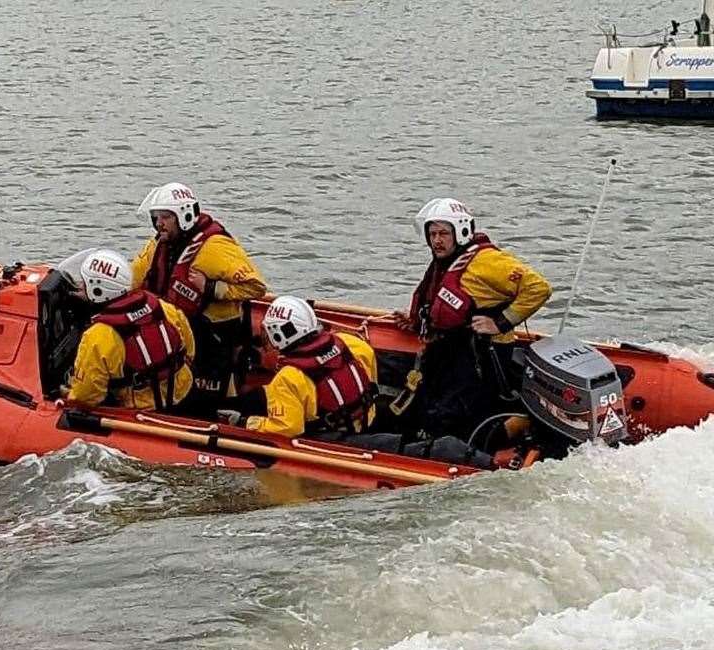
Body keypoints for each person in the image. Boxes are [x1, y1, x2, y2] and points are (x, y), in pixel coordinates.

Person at [224, 296, 493, 468]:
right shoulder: (350, 343)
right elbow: (369, 377)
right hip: (369, 418)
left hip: (335, 439)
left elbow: (286, 428)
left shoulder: (288, 379)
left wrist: (246, 422)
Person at [393, 197, 552, 442]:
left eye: (444, 233)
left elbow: (538, 288)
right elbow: (443, 302)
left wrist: (500, 322)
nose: (437, 240)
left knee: (459, 417)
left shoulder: (487, 261)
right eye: (432, 234)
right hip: (451, 349)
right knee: (429, 405)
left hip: (482, 353)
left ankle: (519, 425)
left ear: (461, 231)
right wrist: (416, 320)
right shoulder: (448, 261)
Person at [131, 182, 268, 412]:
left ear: (183, 216)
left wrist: (212, 288)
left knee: (208, 401)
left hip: (213, 336)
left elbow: (256, 286)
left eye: (165, 217)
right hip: (178, 331)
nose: (158, 223)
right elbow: (134, 278)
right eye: (155, 217)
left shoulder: (215, 247)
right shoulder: (160, 243)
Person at [59, 247, 195, 412]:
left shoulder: (98, 336)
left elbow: (86, 397)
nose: (80, 286)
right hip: (182, 390)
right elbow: (189, 347)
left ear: (98, 290)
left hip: (143, 407)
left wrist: (68, 392)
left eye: (84, 283)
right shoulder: (162, 307)